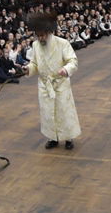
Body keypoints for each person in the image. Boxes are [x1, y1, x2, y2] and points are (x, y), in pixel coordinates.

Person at [22, 12, 81, 150]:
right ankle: (52, 137)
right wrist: (28, 69)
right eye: (38, 35)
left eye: (43, 35)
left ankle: (68, 137)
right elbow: (34, 63)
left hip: (60, 83)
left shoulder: (62, 43)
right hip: (45, 85)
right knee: (48, 113)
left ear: (49, 32)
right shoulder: (35, 45)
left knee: (64, 112)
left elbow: (73, 61)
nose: (40, 38)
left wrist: (66, 69)